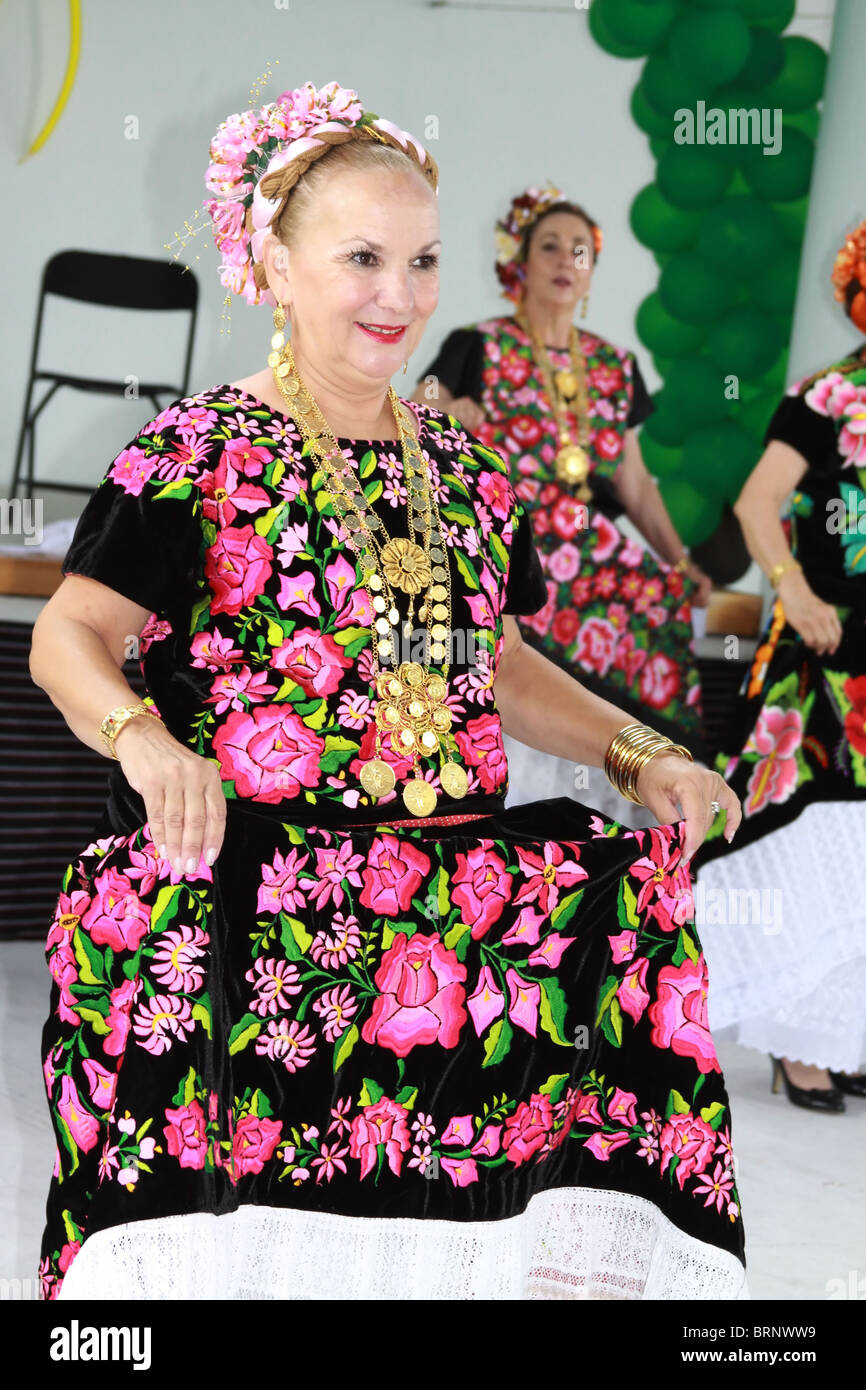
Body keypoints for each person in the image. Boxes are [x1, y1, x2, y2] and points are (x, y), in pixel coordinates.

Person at [31, 82, 746, 1301]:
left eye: (418, 260)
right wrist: (145, 748)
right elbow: (69, 636)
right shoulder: (194, 451)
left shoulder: (463, 471)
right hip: (258, 913)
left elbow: (498, 659)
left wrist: (644, 753)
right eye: (361, 257)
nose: (400, 297)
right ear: (275, 263)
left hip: (443, 918)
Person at [415, 186, 712, 825]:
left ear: (591, 272)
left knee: (659, 592)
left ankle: (647, 797)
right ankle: (520, 795)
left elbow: (633, 483)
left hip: (586, 540)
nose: (563, 259)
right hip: (510, 537)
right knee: (520, 600)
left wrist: (679, 560)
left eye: (579, 251)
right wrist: (445, 411)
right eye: (548, 245)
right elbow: (413, 409)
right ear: (517, 260)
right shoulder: (478, 345)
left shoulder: (613, 363)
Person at [693, 220, 866, 1113]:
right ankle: (799, 1043)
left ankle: (847, 1035)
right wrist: (793, 588)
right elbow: (760, 504)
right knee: (813, 842)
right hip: (832, 644)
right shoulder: (826, 397)